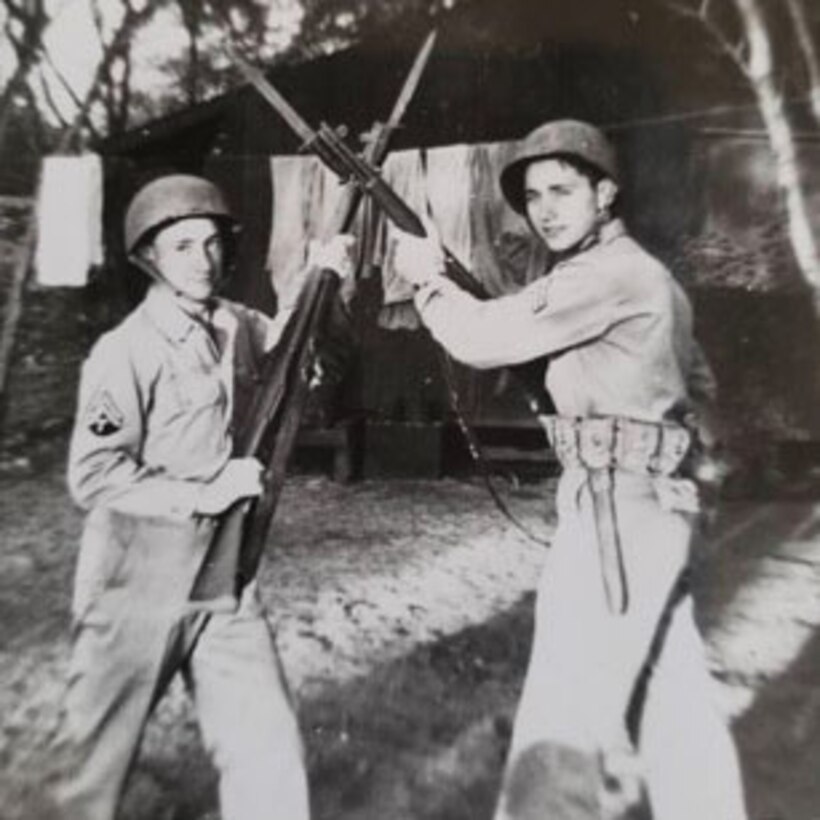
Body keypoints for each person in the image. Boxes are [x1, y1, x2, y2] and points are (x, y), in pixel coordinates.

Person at [392, 120, 748, 820]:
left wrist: (428, 283)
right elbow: (697, 389)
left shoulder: (604, 274)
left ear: (605, 193)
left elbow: (481, 336)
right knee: (677, 716)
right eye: (532, 196)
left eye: (563, 189)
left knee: (564, 723)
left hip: (616, 512)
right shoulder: (652, 277)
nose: (545, 208)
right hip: (652, 505)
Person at [50, 173, 354, 820]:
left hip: (225, 578)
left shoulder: (238, 326)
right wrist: (207, 491)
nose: (203, 261)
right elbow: (94, 475)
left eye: (213, 243)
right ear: (150, 258)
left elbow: (301, 359)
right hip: (135, 582)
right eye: (183, 246)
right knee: (89, 774)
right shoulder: (125, 351)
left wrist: (325, 290)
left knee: (267, 751)